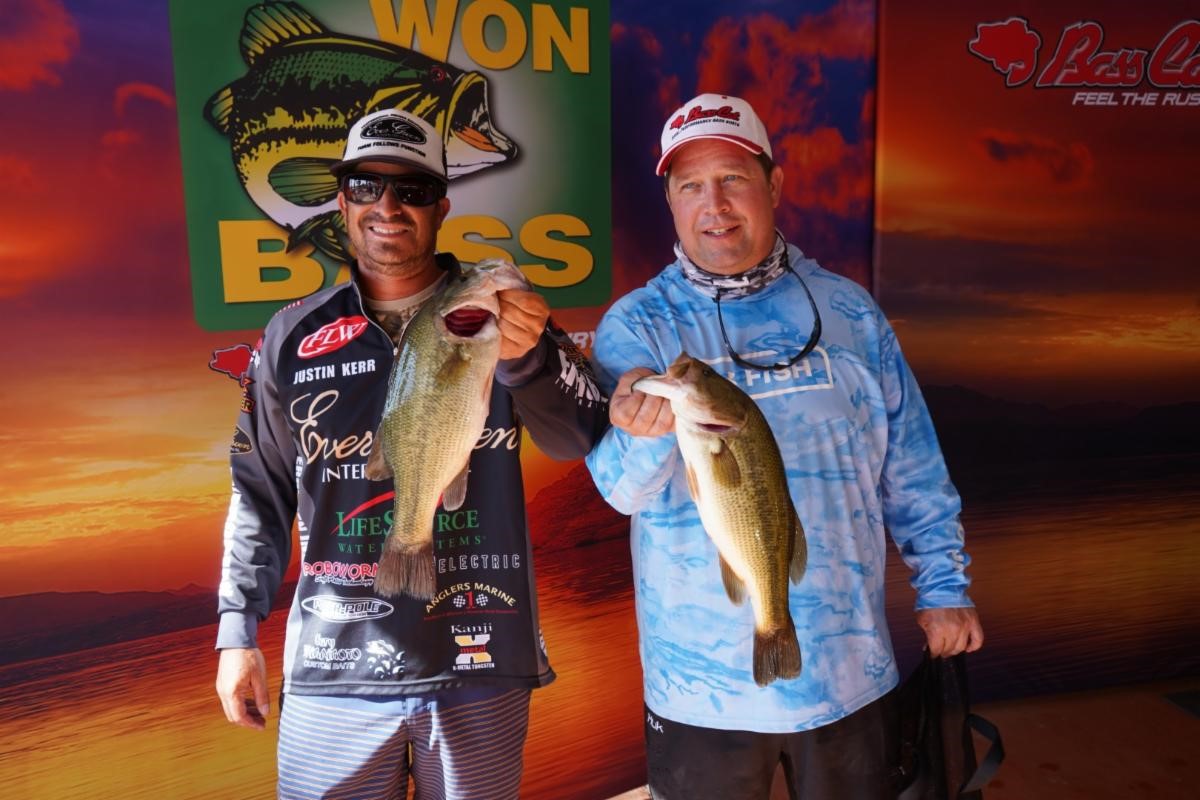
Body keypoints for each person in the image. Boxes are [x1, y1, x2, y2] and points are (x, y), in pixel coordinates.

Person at [585, 93, 984, 800]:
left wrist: (944, 588)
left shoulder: (850, 311)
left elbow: (912, 466)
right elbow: (621, 491)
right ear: (671, 203)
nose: (715, 204)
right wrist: (645, 435)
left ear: (774, 185)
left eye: (734, 179)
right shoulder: (639, 324)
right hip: (698, 686)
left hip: (852, 668)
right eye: (690, 186)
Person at [214, 107, 607, 800]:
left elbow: (578, 436)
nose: (388, 206)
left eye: (413, 190)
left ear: (441, 207)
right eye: (366, 186)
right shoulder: (288, 335)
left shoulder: (504, 314)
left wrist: (527, 360)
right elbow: (258, 492)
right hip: (334, 668)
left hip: (482, 657)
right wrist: (237, 631)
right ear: (341, 202)